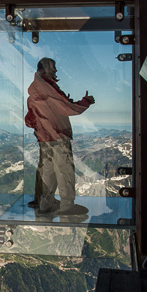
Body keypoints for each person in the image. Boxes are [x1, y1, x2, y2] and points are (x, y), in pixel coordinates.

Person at [25, 57, 95, 218]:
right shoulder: (48, 88)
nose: (55, 71)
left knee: (48, 171)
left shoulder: (34, 91)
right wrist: (86, 102)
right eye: (52, 68)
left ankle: (45, 205)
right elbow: (68, 109)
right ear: (43, 70)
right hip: (57, 134)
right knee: (64, 170)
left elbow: (30, 119)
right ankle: (67, 207)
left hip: (44, 137)